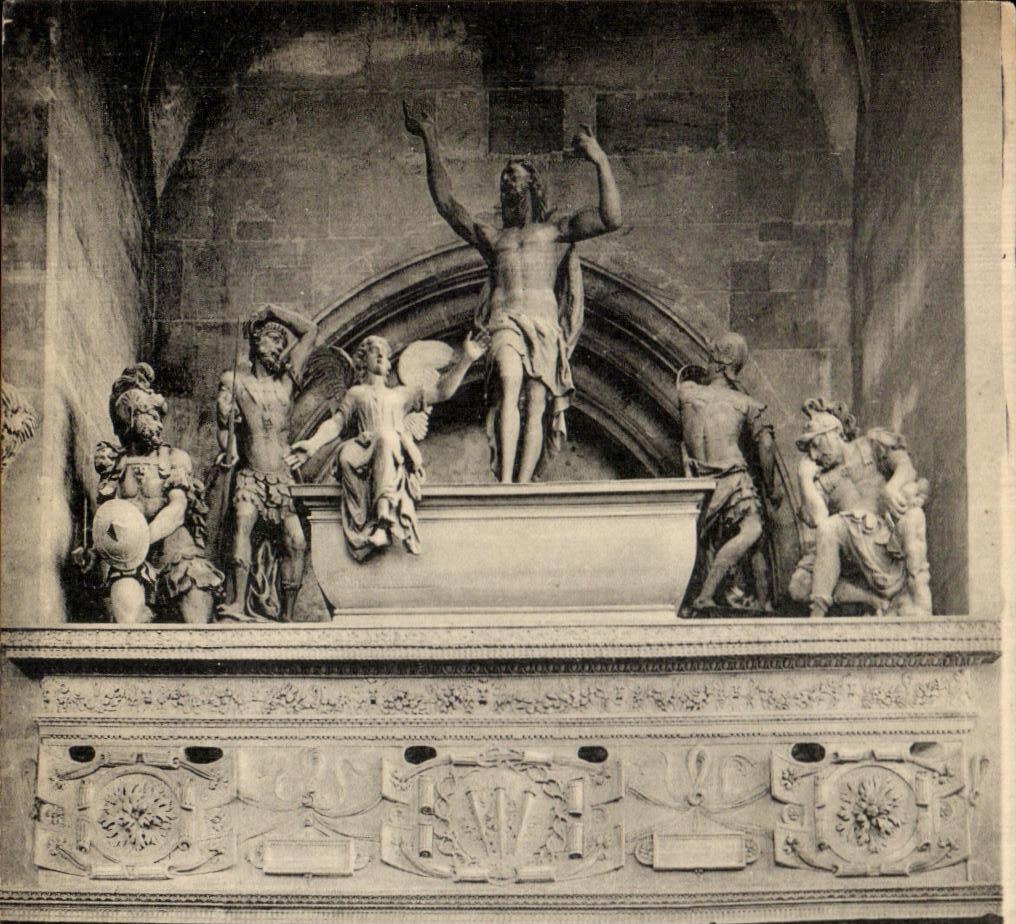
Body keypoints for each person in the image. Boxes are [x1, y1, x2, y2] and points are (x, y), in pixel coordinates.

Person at [404, 105, 622, 483]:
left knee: (537, 403)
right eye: (506, 177)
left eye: (517, 176)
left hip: (544, 324)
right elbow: (448, 206)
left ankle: (521, 486)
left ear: (533, 185)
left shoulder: (554, 231)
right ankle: (504, 482)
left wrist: (599, 160)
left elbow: (610, 218)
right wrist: (429, 138)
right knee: (508, 383)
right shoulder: (494, 237)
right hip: (505, 318)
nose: (509, 182)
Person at [290, 331, 483, 560]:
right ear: (363, 360)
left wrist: (467, 359)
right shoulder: (356, 393)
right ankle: (366, 520)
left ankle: (383, 522)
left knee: (386, 438)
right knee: (349, 454)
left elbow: (441, 391)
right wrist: (312, 444)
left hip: (391, 448)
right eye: (375, 352)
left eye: (385, 354)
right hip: (361, 448)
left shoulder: (401, 394)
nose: (382, 356)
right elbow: (337, 423)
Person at [83, 363, 223, 625]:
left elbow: (177, 510)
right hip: (128, 556)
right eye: (151, 416)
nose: (157, 424)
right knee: (126, 612)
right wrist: (95, 550)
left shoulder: (174, 459)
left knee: (196, 604)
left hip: (174, 550)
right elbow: (108, 518)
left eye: (159, 417)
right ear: (130, 418)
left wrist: (143, 537)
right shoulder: (116, 465)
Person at [215, 301, 319, 620]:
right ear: (256, 341)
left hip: (281, 478)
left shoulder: (284, 386)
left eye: (281, 343)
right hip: (251, 474)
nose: (278, 347)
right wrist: (227, 444)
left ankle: (287, 615)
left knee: (297, 542)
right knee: (243, 524)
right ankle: (235, 602)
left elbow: (311, 331)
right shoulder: (234, 380)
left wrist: (274, 311)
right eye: (273, 339)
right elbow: (224, 428)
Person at [789, 398, 932, 618]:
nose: (814, 456)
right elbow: (819, 520)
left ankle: (917, 603)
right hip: (851, 552)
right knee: (800, 585)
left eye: (815, 445)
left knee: (913, 517)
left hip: (886, 536)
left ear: (833, 432)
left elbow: (905, 466)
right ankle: (854, 603)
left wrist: (891, 488)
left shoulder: (870, 444)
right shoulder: (822, 482)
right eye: (809, 451)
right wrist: (804, 477)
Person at [676, 333, 781, 614]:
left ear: (718, 363)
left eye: (712, 360)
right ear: (734, 366)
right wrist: (770, 488)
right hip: (733, 478)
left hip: (700, 482)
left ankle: (763, 600)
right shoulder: (747, 404)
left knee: (726, 541)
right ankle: (707, 593)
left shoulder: (686, 393)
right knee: (754, 529)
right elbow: (766, 446)